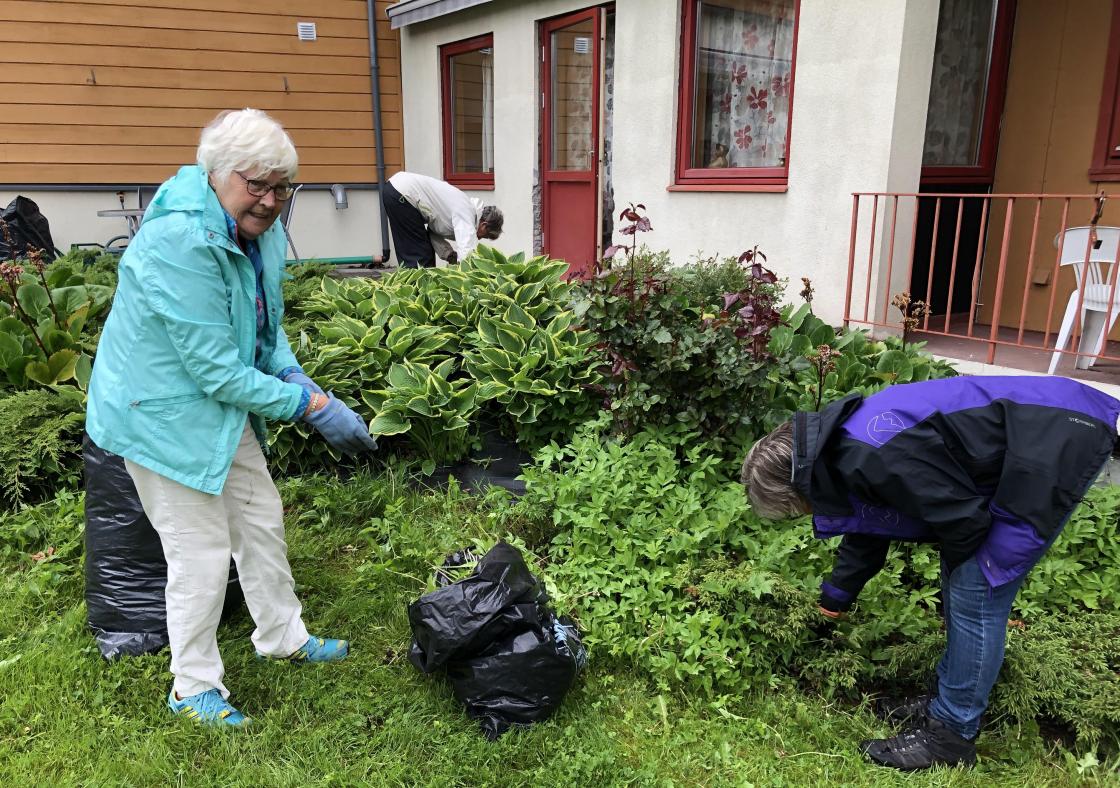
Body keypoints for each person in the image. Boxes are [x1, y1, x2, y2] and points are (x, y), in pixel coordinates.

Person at [86, 108, 378, 727]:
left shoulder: (259, 228)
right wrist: (313, 407)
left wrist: (295, 375)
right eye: (257, 185)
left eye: (283, 188)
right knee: (200, 550)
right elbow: (216, 371)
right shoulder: (179, 243)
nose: (271, 201)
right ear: (218, 175)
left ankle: (282, 637)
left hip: (219, 406)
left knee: (260, 517)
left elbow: (266, 330)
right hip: (158, 413)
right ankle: (192, 687)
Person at [740, 375, 1120, 770]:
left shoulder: (872, 455)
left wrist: (959, 580)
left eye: (795, 510)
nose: (804, 514)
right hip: (1043, 428)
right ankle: (948, 702)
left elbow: (963, 521)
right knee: (964, 580)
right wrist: (833, 600)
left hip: (1055, 438)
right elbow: (869, 530)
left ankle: (950, 738)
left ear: (796, 488)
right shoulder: (835, 448)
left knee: (976, 591)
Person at [378, 171, 502, 268]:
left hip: (396, 191)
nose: (479, 239)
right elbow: (467, 250)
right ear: (484, 225)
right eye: (483, 236)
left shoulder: (462, 210)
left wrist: (449, 254)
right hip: (402, 194)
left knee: (419, 253)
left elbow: (431, 232)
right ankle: (414, 295)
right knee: (419, 257)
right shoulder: (467, 211)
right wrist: (470, 278)